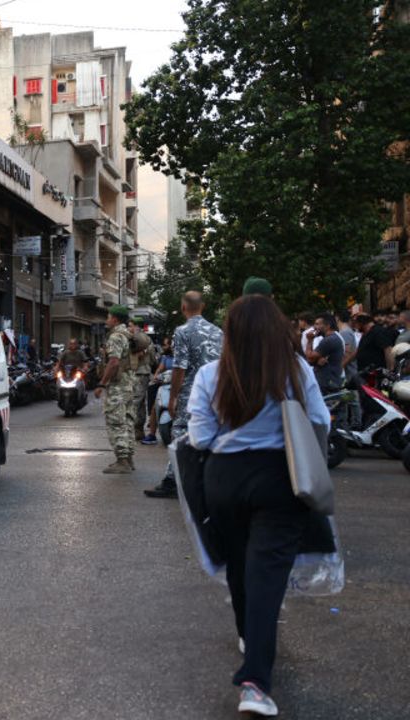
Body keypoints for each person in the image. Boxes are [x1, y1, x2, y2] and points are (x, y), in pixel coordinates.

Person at [186, 294, 329, 717]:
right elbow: (320, 422)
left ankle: (250, 636)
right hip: (281, 478)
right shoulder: (296, 371)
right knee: (267, 575)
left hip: (224, 480)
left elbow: (199, 437)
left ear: (230, 333)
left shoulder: (212, 375)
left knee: (239, 563)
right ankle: (254, 683)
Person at [146, 291, 223, 499]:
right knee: (211, 431)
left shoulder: (182, 331)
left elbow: (180, 367)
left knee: (179, 430)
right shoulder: (218, 332)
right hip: (217, 391)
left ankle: (172, 481)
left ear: (183, 308)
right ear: (203, 306)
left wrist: (173, 398)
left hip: (192, 391)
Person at [94, 305, 136, 473]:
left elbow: (113, 362)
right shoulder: (127, 334)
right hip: (127, 385)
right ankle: (129, 457)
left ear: (115, 319)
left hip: (118, 387)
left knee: (116, 421)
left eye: (109, 317)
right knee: (127, 421)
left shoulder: (116, 337)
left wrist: (102, 384)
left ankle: (122, 460)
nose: (107, 320)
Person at [305, 314, 346, 394]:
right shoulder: (332, 337)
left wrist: (309, 340)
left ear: (327, 326)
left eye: (317, 324)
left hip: (327, 383)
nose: (314, 327)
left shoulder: (329, 340)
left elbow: (309, 358)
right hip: (328, 381)